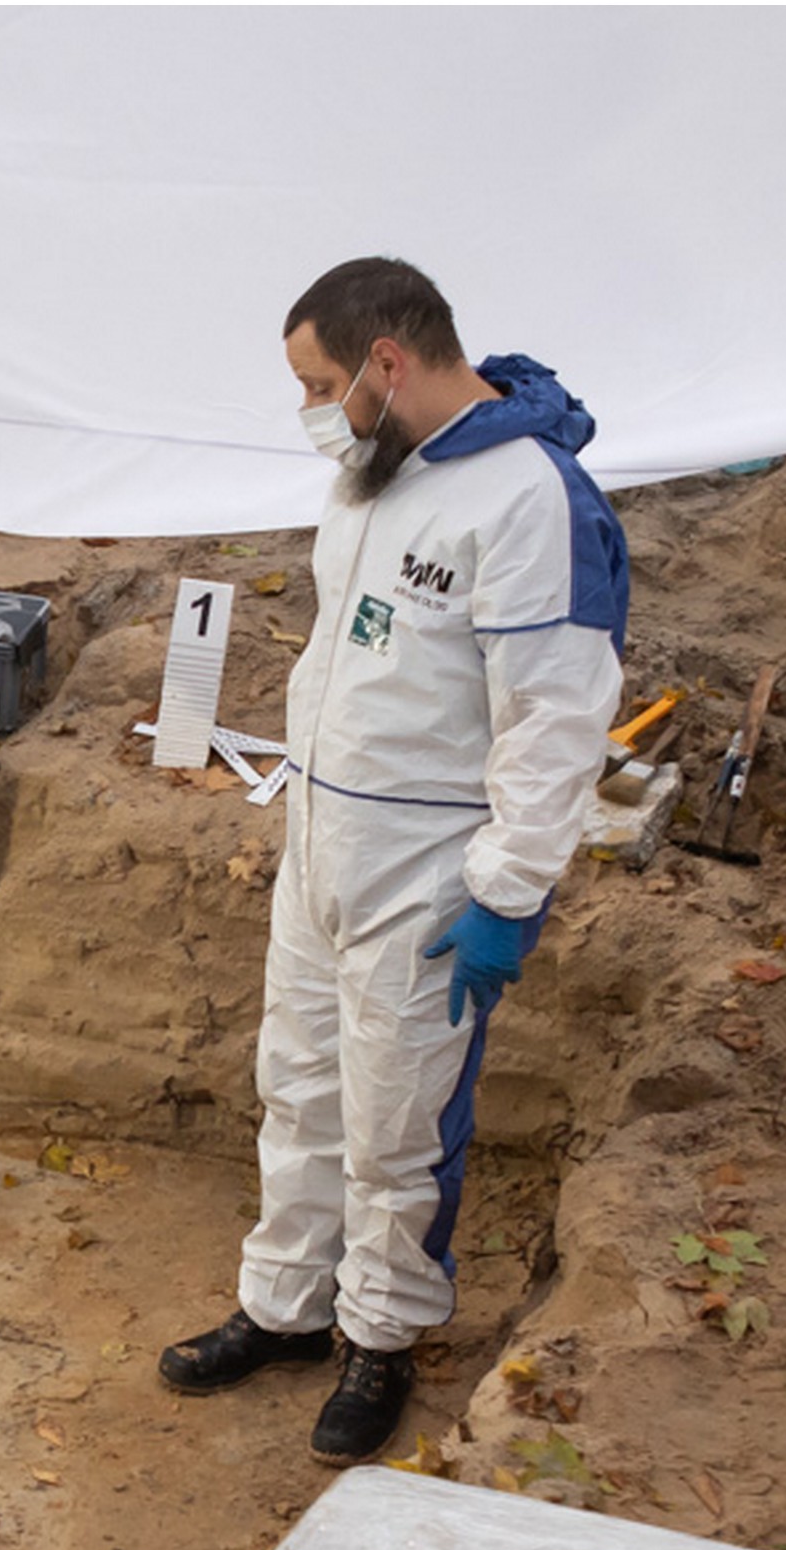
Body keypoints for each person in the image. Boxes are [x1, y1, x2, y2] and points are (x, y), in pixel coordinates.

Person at [157, 257, 629, 1461]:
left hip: (423, 867)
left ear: (385, 362)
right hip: (322, 838)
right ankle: (286, 1304)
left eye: (318, 383)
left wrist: (505, 894)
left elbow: (556, 717)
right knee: (298, 1086)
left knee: (394, 1120)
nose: (310, 409)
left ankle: (380, 1333)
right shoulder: (372, 474)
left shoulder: (528, 502)